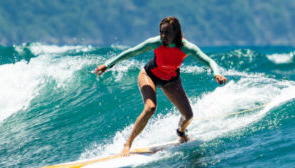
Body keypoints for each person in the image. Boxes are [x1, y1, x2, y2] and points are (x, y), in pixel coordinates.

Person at [94, 17, 228, 154]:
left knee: (188, 116)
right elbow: (132, 52)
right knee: (150, 108)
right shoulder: (156, 42)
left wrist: (216, 74)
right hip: (149, 75)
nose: (163, 36)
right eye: (161, 32)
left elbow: (209, 61)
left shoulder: (187, 47)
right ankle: (127, 144)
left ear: (176, 32)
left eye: (167, 33)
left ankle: (181, 133)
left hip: (171, 80)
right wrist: (108, 65)